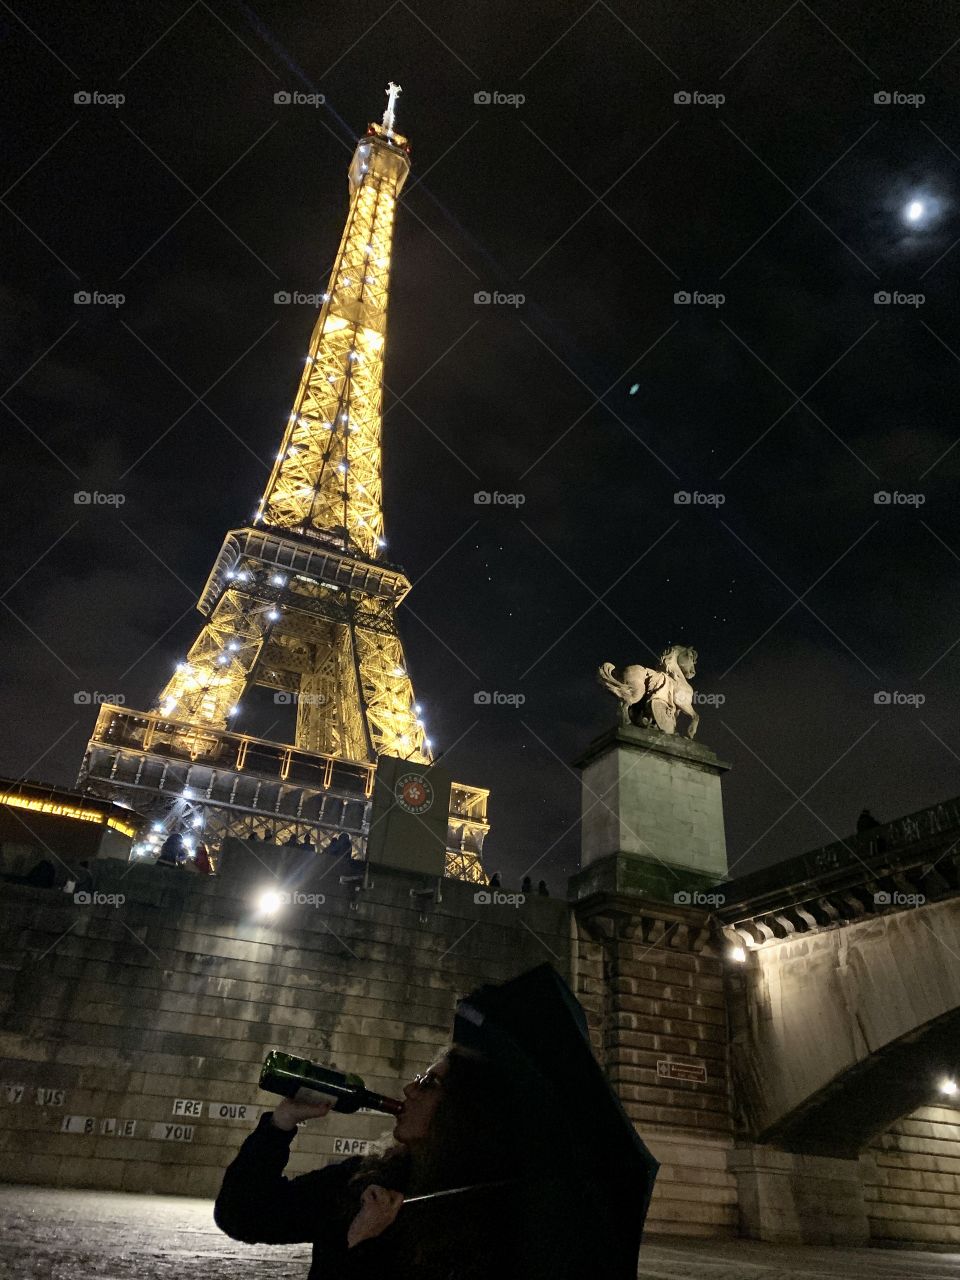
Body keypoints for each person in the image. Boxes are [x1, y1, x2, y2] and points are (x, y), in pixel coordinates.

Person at [214, 1046, 575, 1279]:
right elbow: (245, 1215)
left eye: (429, 1084)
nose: (409, 1090)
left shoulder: (484, 1220)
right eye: (419, 1078)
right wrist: (281, 1124)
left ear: (463, 1111)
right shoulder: (365, 1180)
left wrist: (359, 1243)